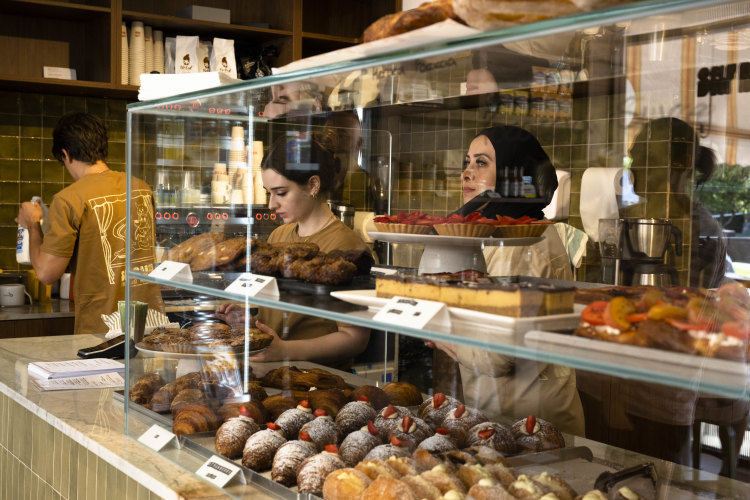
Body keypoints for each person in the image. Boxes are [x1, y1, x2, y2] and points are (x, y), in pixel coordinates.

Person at [433, 126, 585, 436]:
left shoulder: (516, 242)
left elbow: (496, 356)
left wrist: (436, 329)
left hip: (529, 421)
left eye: (482, 163)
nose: (466, 173)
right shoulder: (513, 230)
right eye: (467, 162)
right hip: (513, 413)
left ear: (512, 175)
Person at [216, 131, 372, 370]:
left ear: (312, 185)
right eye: (269, 193)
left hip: (318, 377)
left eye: (281, 193)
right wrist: (251, 324)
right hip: (274, 371)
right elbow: (281, 322)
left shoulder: (346, 247)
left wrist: (284, 351)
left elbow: (355, 339)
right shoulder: (279, 236)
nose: (271, 204)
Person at [15, 112, 163, 335]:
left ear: (65, 154)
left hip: (101, 330)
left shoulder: (68, 199)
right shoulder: (141, 188)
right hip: (150, 323)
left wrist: (32, 224)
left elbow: (46, 273)